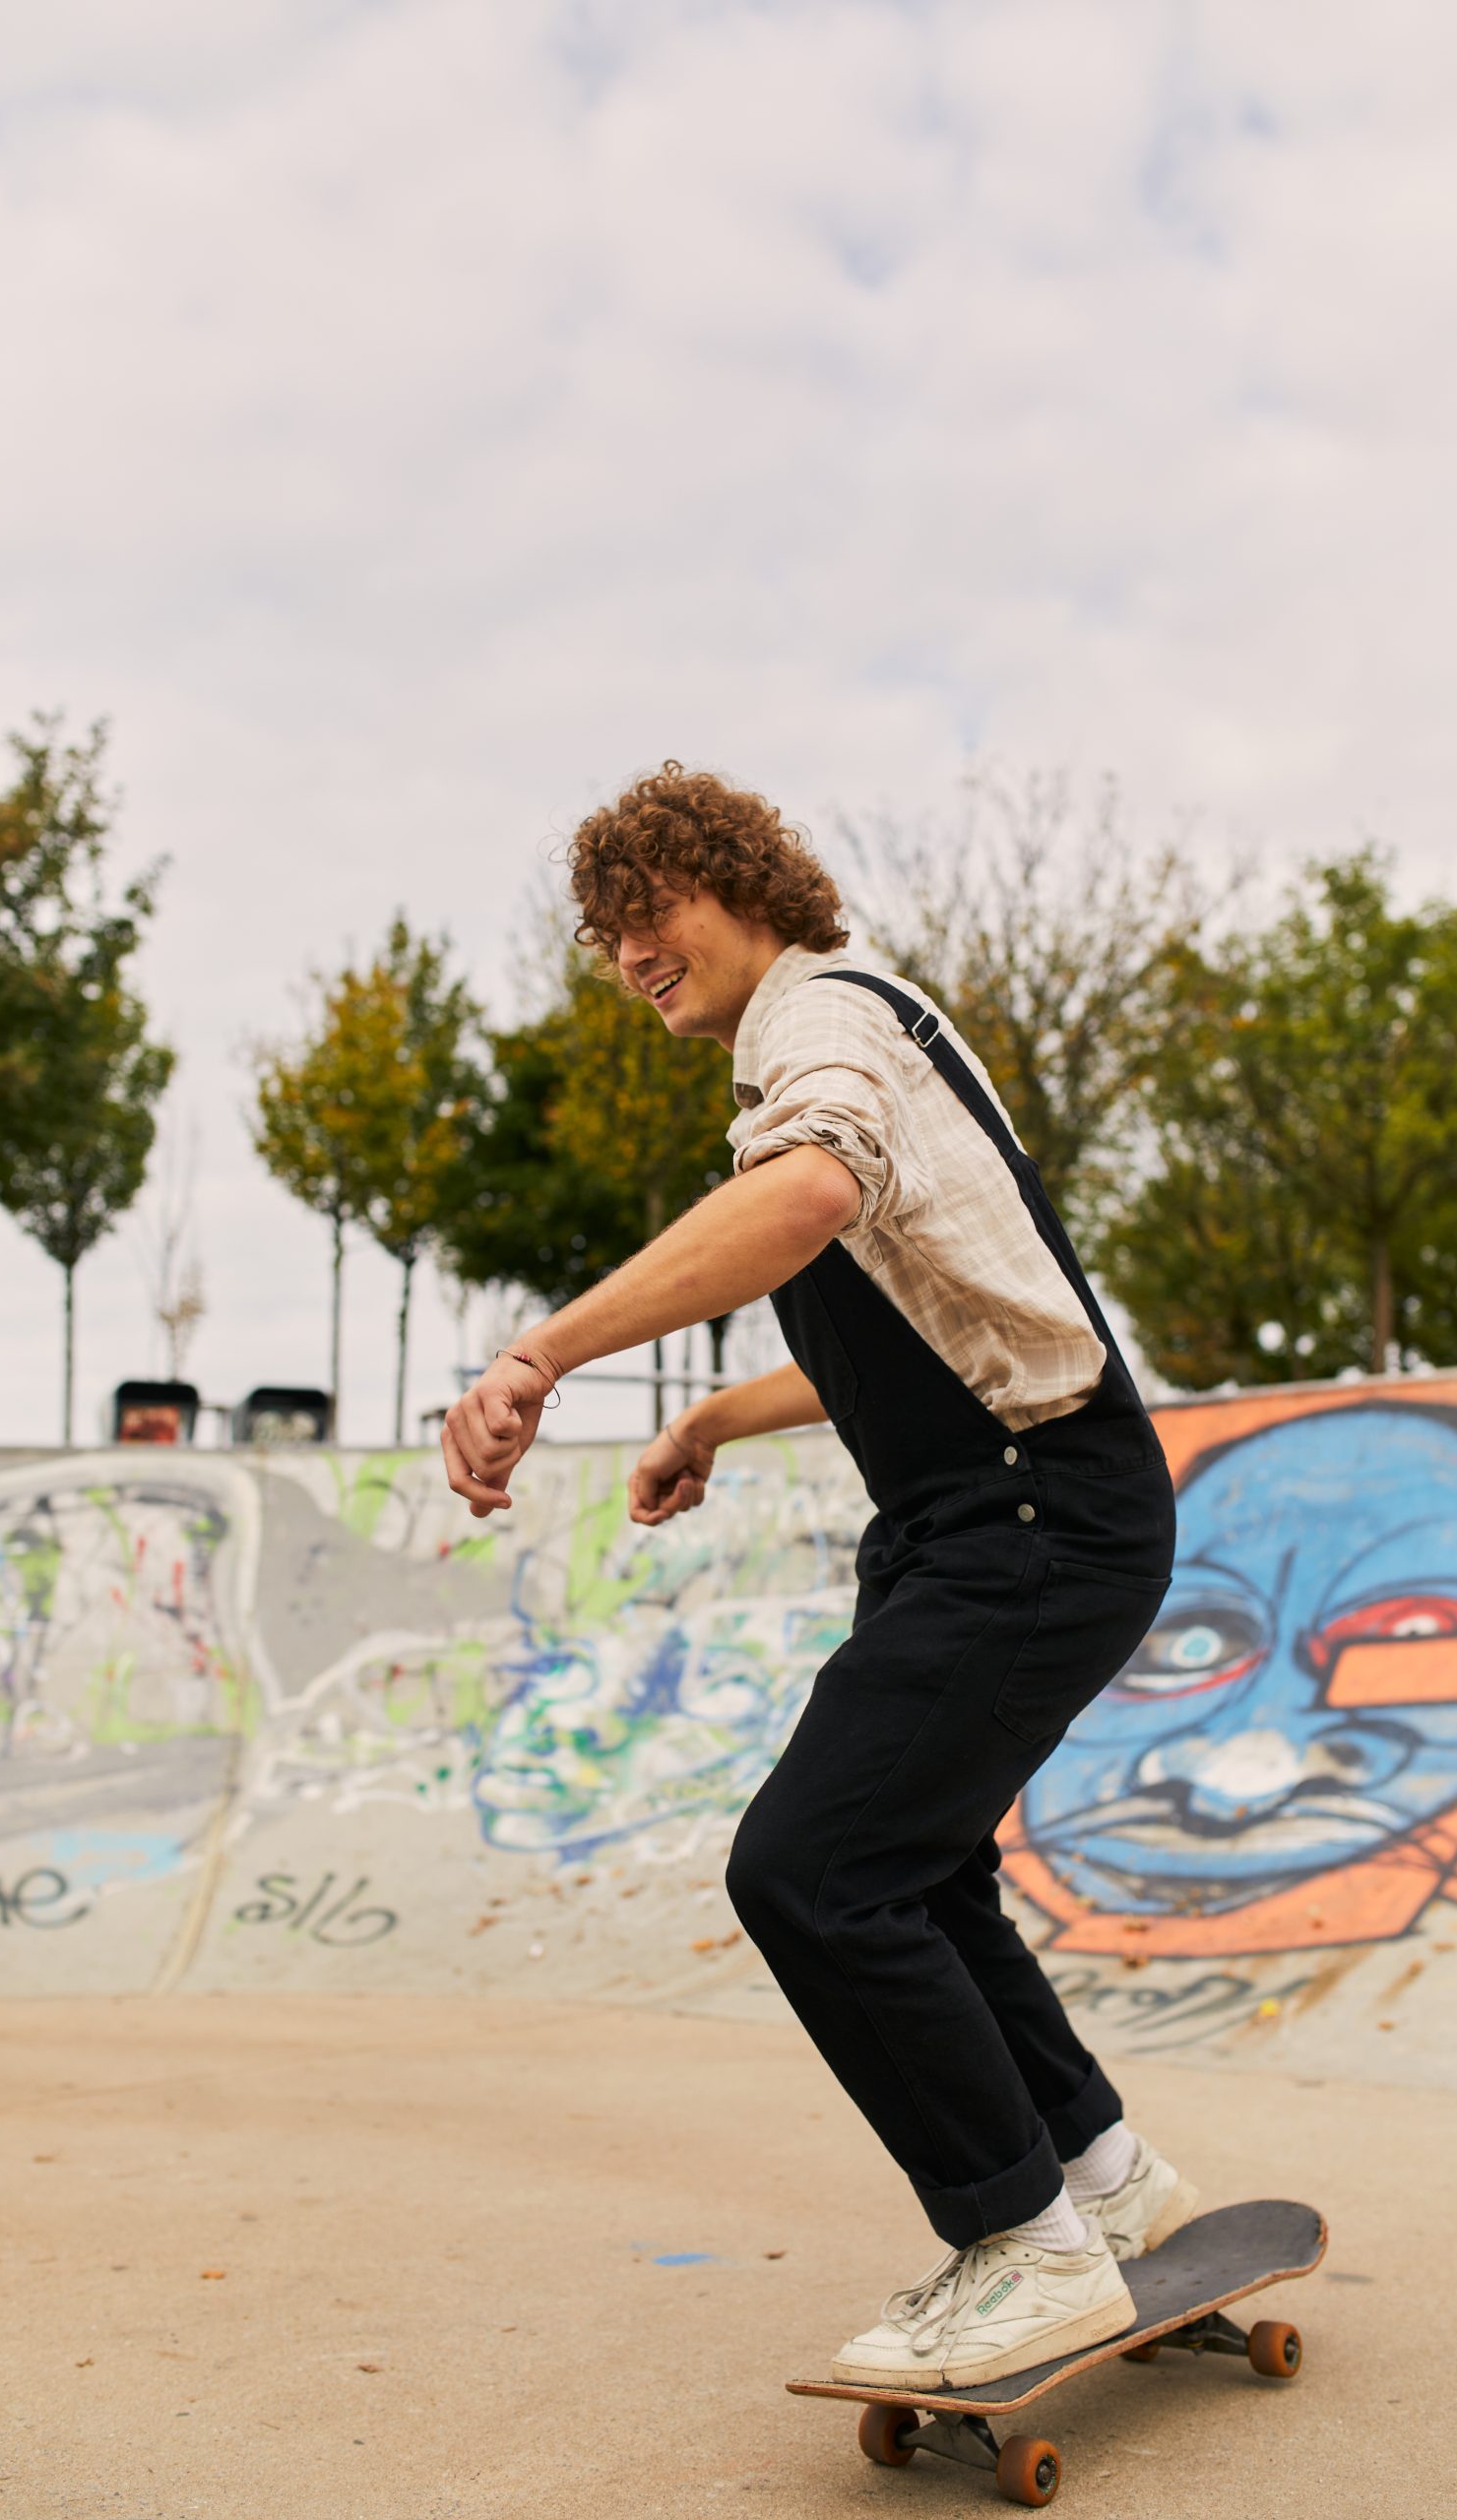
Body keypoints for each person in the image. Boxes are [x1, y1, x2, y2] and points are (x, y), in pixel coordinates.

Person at [442, 763, 1195, 2390]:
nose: (631, 953)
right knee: (915, 1871)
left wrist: (541, 1353)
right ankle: (1107, 2192)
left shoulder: (819, 1022)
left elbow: (803, 1193)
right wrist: (715, 1411)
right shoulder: (856, 1029)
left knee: (813, 1871)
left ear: (747, 890)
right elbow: (939, 1317)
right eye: (606, 934)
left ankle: (1019, 2246)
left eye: (654, 913)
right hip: (992, 1506)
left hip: (1031, 1513)